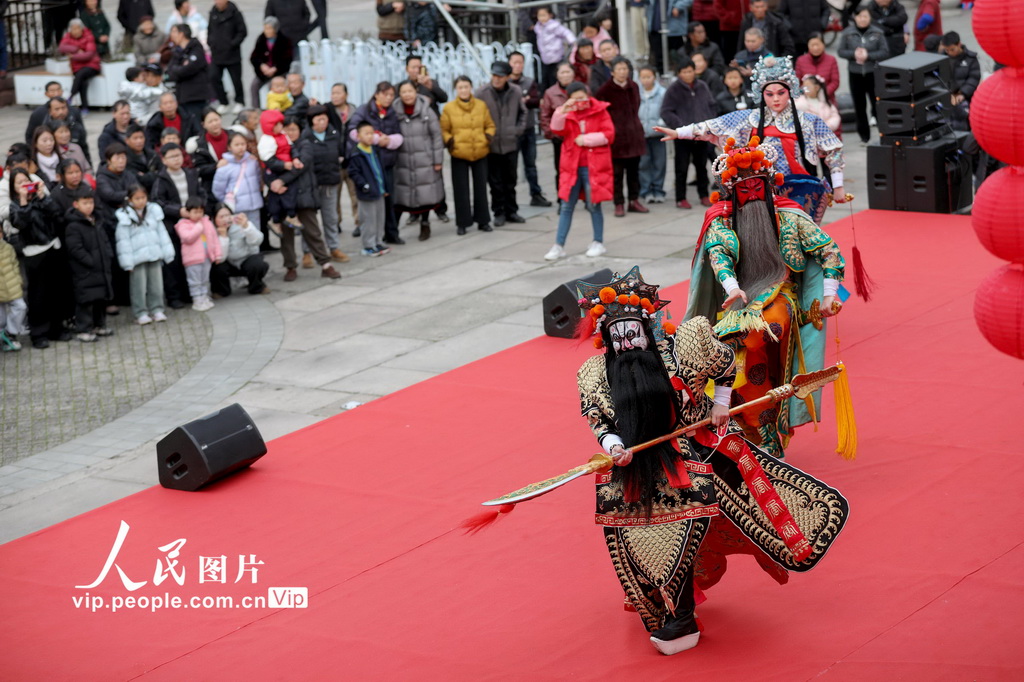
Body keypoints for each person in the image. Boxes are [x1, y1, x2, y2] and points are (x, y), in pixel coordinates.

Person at [573, 264, 849, 654]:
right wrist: (614, 446)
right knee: (635, 540)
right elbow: (599, 420)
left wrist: (721, 404)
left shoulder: (685, 345)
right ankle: (664, 603)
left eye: (632, 333)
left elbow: (723, 365)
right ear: (605, 340)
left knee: (680, 536)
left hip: (696, 452)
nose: (626, 343)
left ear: (646, 328)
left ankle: (681, 619)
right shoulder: (593, 375)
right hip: (635, 466)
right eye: (616, 337)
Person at [682, 135, 846, 459]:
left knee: (759, 334)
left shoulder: (791, 218)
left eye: (758, 188)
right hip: (740, 301)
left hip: (782, 295)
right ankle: (742, 424)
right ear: (732, 192)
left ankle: (761, 428)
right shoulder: (723, 221)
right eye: (745, 190)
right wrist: (732, 288)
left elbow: (830, 251)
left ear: (770, 186)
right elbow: (719, 256)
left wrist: (828, 295)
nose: (753, 196)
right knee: (728, 354)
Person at [544, 81, 613, 261]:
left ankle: (598, 241)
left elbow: (609, 134)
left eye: (582, 98)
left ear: (588, 95)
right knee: (566, 206)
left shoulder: (600, 110)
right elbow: (556, 129)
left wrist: (587, 139)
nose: (579, 102)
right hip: (571, 167)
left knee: (594, 204)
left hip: (593, 167)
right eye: (575, 99)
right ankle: (558, 245)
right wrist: (562, 110)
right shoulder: (568, 113)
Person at [7, 168, 69, 348]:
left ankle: (57, 328)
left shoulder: (42, 198)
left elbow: (56, 215)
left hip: (52, 247)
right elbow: (20, 223)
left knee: (56, 291)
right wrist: (24, 201)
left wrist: (43, 197)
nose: (24, 185)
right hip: (34, 253)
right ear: (13, 187)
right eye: (19, 183)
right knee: (37, 295)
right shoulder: (14, 205)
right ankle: (39, 333)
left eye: (26, 180)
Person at [274, 117, 341, 281]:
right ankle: (290, 266)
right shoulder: (276, 145)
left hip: (304, 197)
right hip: (285, 197)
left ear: (300, 130)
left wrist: (281, 180)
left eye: (294, 129)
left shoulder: (305, 145)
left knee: (312, 232)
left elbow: (300, 166)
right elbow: (271, 165)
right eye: (287, 129)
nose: (290, 133)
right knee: (286, 235)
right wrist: (274, 182)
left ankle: (325, 264)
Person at [347, 82, 404, 243]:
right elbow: (353, 131)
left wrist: (390, 141)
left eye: (391, 95)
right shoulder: (365, 110)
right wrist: (376, 139)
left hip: (387, 162)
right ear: (376, 94)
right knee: (370, 202)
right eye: (385, 94)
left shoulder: (392, 112)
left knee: (389, 199)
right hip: (369, 164)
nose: (388, 98)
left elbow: (398, 134)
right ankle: (368, 237)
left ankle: (391, 234)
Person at [151, 141, 206, 307]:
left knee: (192, 259)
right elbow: (158, 201)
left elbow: (201, 193)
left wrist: (197, 208)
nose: (176, 159)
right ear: (164, 160)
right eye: (172, 156)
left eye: (179, 155)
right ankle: (174, 296)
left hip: (193, 223)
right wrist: (178, 211)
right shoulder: (161, 179)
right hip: (173, 225)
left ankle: (191, 292)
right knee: (173, 261)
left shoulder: (190, 174)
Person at [440, 76, 494, 236]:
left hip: (479, 150)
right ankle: (462, 222)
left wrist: (487, 137)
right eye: (460, 87)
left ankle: (483, 220)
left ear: (471, 87)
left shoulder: (480, 105)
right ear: (456, 90)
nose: (463, 90)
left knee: (481, 187)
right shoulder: (449, 108)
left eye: (466, 86)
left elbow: (489, 125)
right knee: (460, 189)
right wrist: (450, 141)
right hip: (459, 152)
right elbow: (444, 129)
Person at [660, 57, 717, 209]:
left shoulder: (702, 86)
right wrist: (680, 128)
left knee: (701, 167)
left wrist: (708, 125)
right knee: (681, 167)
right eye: (684, 72)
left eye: (690, 71)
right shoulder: (673, 89)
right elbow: (666, 111)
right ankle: (681, 198)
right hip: (682, 136)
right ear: (679, 73)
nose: (688, 74)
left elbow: (711, 106)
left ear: (694, 71)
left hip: (701, 134)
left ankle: (704, 195)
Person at [475, 62, 527, 227]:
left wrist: (517, 130)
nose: (496, 79)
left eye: (500, 76)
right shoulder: (482, 93)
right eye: (494, 75)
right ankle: (499, 212)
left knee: (510, 179)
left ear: (507, 77)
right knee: (495, 181)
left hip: (510, 142)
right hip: (491, 144)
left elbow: (523, 112)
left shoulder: (515, 91)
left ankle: (512, 210)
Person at [595, 56, 647, 217]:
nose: (623, 72)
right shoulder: (605, 90)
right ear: (612, 72)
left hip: (634, 135)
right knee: (617, 174)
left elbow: (637, 107)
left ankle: (634, 200)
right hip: (616, 138)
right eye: (619, 69)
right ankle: (619, 203)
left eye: (625, 69)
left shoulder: (634, 86)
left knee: (634, 172)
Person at [392, 83, 444, 241]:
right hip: (402, 161)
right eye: (403, 92)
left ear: (416, 92)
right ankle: (392, 230)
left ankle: (425, 224)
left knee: (425, 194)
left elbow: (436, 137)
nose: (407, 94)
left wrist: (437, 159)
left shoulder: (426, 110)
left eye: (410, 91)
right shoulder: (394, 112)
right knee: (400, 195)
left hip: (424, 160)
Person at [115, 184, 173, 324]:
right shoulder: (125, 217)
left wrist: (168, 252)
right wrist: (127, 262)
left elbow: (162, 233)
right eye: (137, 198)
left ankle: (157, 309)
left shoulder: (153, 212)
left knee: (156, 285)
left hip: (154, 254)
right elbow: (123, 241)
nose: (140, 201)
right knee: (138, 287)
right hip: (137, 258)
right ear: (130, 200)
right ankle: (140, 312)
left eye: (143, 197)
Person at [300, 105, 349, 262]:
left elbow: (341, 152)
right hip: (312, 185)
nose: (322, 122)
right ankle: (307, 252)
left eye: (324, 118)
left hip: (330, 182)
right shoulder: (305, 137)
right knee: (309, 221)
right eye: (318, 119)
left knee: (331, 218)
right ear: (311, 121)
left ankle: (334, 248)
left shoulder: (333, 134)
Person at [64, 190, 114, 342]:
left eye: (90, 203)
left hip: (101, 268)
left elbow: (105, 240)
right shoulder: (73, 226)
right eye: (85, 203)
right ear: (76, 204)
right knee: (86, 301)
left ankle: (99, 325)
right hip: (85, 271)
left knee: (101, 298)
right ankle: (84, 329)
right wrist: (90, 261)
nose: (88, 206)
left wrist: (107, 254)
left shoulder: (96, 220)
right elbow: (75, 249)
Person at [837, 6, 888, 143]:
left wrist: (869, 56)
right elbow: (841, 51)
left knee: (877, 104)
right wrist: (853, 54)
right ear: (855, 17)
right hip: (855, 74)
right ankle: (864, 137)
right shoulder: (848, 33)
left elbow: (884, 52)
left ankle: (884, 133)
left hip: (873, 73)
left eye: (865, 16)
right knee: (860, 106)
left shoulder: (877, 32)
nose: (863, 19)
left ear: (870, 17)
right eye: (860, 16)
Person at [509, 51, 551, 208]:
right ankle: (510, 200)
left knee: (531, 164)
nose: (518, 65)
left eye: (520, 62)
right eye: (515, 62)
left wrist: (523, 101)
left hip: (528, 129)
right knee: (510, 167)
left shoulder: (529, 81)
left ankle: (535, 194)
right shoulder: (505, 82)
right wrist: (522, 100)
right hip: (511, 131)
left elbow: (535, 101)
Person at [347, 121, 393, 257]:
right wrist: (364, 185)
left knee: (379, 218)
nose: (370, 136)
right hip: (367, 193)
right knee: (368, 220)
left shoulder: (375, 150)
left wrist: (385, 187)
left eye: (371, 133)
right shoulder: (356, 153)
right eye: (366, 133)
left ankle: (378, 242)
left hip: (379, 190)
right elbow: (354, 173)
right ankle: (368, 245)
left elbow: (381, 170)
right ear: (358, 136)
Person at [209, 203, 269, 296]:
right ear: (214, 218)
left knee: (257, 264)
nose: (226, 219)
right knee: (216, 266)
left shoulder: (240, 223)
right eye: (221, 217)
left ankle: (257, 287)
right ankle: (221, 291)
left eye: (228, 215)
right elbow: (220, 258)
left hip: (246, 260)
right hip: (227, 262)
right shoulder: (212, 230)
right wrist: (223, 237)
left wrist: (247, 227)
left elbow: (258, 240)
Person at [174, 196, 222, 311]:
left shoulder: (207, 222)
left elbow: (214, 238)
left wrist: (218, 254)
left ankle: (205, 297)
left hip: (207, 257)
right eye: (195, 212)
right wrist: (198, 228)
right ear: (188, 212)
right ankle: (197, 299)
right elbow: (187, 238)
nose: (198, 215)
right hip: (192, 259)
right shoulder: (183, 224)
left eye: (200, 212)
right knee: (194, 280)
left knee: (205, 279)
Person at [213, 132, 264, 234]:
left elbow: (259, 180)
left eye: (243, 144)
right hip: (236, 209)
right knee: (238, 238)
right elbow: (217, 190)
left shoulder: (252, 162)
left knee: (255, 235)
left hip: (254, 207)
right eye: (237, 145)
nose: (241, 147)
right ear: (229, 147)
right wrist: (228, 202)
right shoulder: (224, 167)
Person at [326, 83, 359, 234]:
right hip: (334, 162)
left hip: (351, 160)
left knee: (355, 194)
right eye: (333, 93)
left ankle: (359, 222)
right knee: (334, 196)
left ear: (346, 94)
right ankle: (335, 222)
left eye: (338, 93)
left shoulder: (354, 111)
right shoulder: (327, 111)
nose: (335, 96)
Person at [208, 0, 248, 114]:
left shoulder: (234, 13)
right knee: (214, 77)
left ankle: (239, 101)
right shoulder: (213, 13)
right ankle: (223, 101)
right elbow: (210, 29)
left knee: (236, 79)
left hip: (232, 54)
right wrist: (211, 42)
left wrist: (232, 44)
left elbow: (242, 31)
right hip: (217, 53)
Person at [540, 62, 574, 194]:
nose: (565, 75)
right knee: (561, 169)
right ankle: (562, 198)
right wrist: (552, 133)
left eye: (568, 72)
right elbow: (544, 115)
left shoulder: (582, 90)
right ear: (557, 76)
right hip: (559, 139)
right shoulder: (550, 93)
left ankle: (583, 196)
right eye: (562, 72)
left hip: (579, 138)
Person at [166, 24, 211, 122]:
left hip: (196, 96)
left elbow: (188, 69)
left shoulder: (196, 48)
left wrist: (179, 69)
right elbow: (169, 72)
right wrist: (180, 68)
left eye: (174, 32)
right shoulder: (177, 52)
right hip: (182, 97)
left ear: (181, 34)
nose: (171, 35)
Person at [184, 107, 229, 205]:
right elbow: (199, 169)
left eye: (216, 120)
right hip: (212, 187)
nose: (214, 124)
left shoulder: (232, 136)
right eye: (210, 122)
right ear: (203, 125)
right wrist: (216, 166)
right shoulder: (199, 144)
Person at [249, 17, 293, 111]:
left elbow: (287, 59)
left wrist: (275, 68)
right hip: (264, 72)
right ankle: (256, 110)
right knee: (254, 85)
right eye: (265, 28)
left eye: (269, 28)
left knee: (273, 86)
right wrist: (262, 65)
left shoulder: (284, 40)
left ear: (275, 29)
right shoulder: (261, 39)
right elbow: (254, 57)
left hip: (279, 72)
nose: (267, 31)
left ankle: (274, 109)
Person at [638, 65, 667, 204]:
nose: (646, 80)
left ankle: (658, 190)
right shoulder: (637, 93)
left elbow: (666, 111)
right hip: (641, 134)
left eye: (648, 77)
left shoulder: (662, 93)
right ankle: (646, 190)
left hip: (658, 134)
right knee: (643, 163)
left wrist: (660, 126)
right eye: (643, 77)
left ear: (654, 77)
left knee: (659, 163)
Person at [59, 19, 102, 113]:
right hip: (77, 67)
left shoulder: (89, 36)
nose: (75, 31)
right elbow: (61, 47)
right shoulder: (68, 36)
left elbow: (89, 54)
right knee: (83, 82)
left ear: (81, 28)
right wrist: (77, 49)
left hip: (92, 65)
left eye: (77, 28)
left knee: (81, 74)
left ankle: (71, 96)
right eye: (73, 29)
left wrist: (73, 56)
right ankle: (85, 108)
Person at [533, 6, 576, 90]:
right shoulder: (538, 27)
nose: (542, 18)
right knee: (545, 78)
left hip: (556, 57)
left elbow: (565, 32)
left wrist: (572, 41)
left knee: (554, 78)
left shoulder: (554, 26)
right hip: (545, 58)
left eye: (544, 15)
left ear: (550, 15)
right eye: (540, 15)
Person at [0, 230, 27, 352]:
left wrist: (18, 280)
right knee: (1, 318)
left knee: (20, 306)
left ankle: (10, 332)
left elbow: (15, 265)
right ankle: (5, 339)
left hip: (11, 286)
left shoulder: (7, 248)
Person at [795, 33, 840, 105]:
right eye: (812, 45)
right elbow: (797, 82)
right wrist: (808, 92)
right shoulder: (801, 60)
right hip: (807, 100)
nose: (815, 48)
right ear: (808, 46)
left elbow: (835, 82)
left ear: (823, 44)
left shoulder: (831, 60)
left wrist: (823, 93)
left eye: (818, 44)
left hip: (827, 100)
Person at [941, 32, 981, 104]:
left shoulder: (970, 59)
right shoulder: (941, 58)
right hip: (947, 96)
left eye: (952, 49)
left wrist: (963, 93)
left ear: (959, 44)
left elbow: (974, 78)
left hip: (965, 95)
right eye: (947, 50)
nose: (949, 52)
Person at [123, 124, 157, 191]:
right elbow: (136, 179)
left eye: (141, 137)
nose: (139, 141)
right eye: (135, 138)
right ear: (127, 140)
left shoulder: (152, 154)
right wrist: (153, 174)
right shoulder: (125, 158)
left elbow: (162, 173)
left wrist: (145, 176)